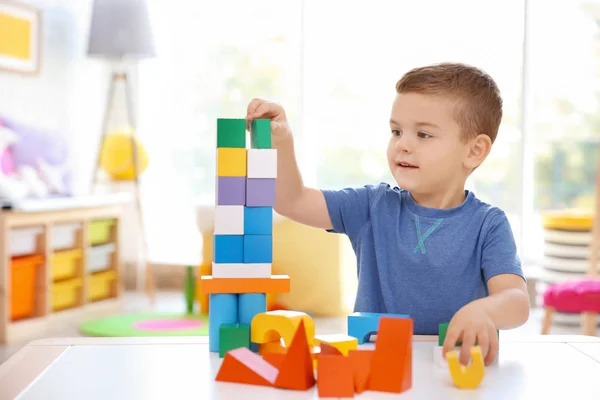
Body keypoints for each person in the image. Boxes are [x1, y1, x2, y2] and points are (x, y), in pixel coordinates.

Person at [245, 62, 530, 366]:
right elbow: (292, 201)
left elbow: (517, 301)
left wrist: (485, 310)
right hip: (377, 370)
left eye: (423, 134)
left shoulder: (488, 224)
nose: (403, 145)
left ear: (474, 151)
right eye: (396, 131)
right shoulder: (371, 206)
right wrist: (282, 141)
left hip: (455, 372)